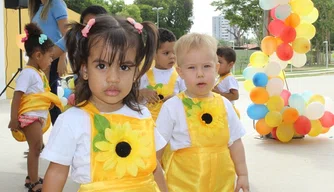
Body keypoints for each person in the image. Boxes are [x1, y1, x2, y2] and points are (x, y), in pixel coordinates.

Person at [41, 15, 168, 192]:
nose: (113, 78)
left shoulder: (143, 115)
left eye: (124, 67)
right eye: (102, 66)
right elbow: (56, 173)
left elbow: (155, 169)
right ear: (85, 70)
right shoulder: (72, 121)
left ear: (135, 73)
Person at [155, 33, 249, 192]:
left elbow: (236, 143)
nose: (200, 73)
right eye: (192, 67)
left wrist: (243, 175)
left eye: (206, 66)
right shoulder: (172, 107)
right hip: (183, 185)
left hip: (222, 183)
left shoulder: (224, 104)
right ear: (180, 72)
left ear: (216, 68)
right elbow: (156, 151)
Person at [8, 23, 62, 192]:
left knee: (36, 148)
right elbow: (17, 96)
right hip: (29, 117)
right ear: (38, 55)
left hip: (36, 116)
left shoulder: (37, 73)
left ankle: (31, 176)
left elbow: (38, 95)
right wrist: (13, 118)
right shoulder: (28, 73)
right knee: (35, 148)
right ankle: (33, 182)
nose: (51, 60)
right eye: (50, 57)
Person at [28, 0, 68, 125]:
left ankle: (60, 133)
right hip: (40, 60)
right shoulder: (39, 7)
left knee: (50, 98)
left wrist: (62, 59)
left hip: (53, 59)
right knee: (43, 100)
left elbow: (67, 35)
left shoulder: (56, 4)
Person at [139, 28, 185, 121]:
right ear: (153, 54)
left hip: (173, 123)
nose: (172, 56)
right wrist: (143, 92)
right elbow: (133, 99)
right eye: (166, 53)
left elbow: (189, 96)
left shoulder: (180, 75)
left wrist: (177, 98)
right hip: (149, 123)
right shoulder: (145, 75)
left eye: (174, 52)